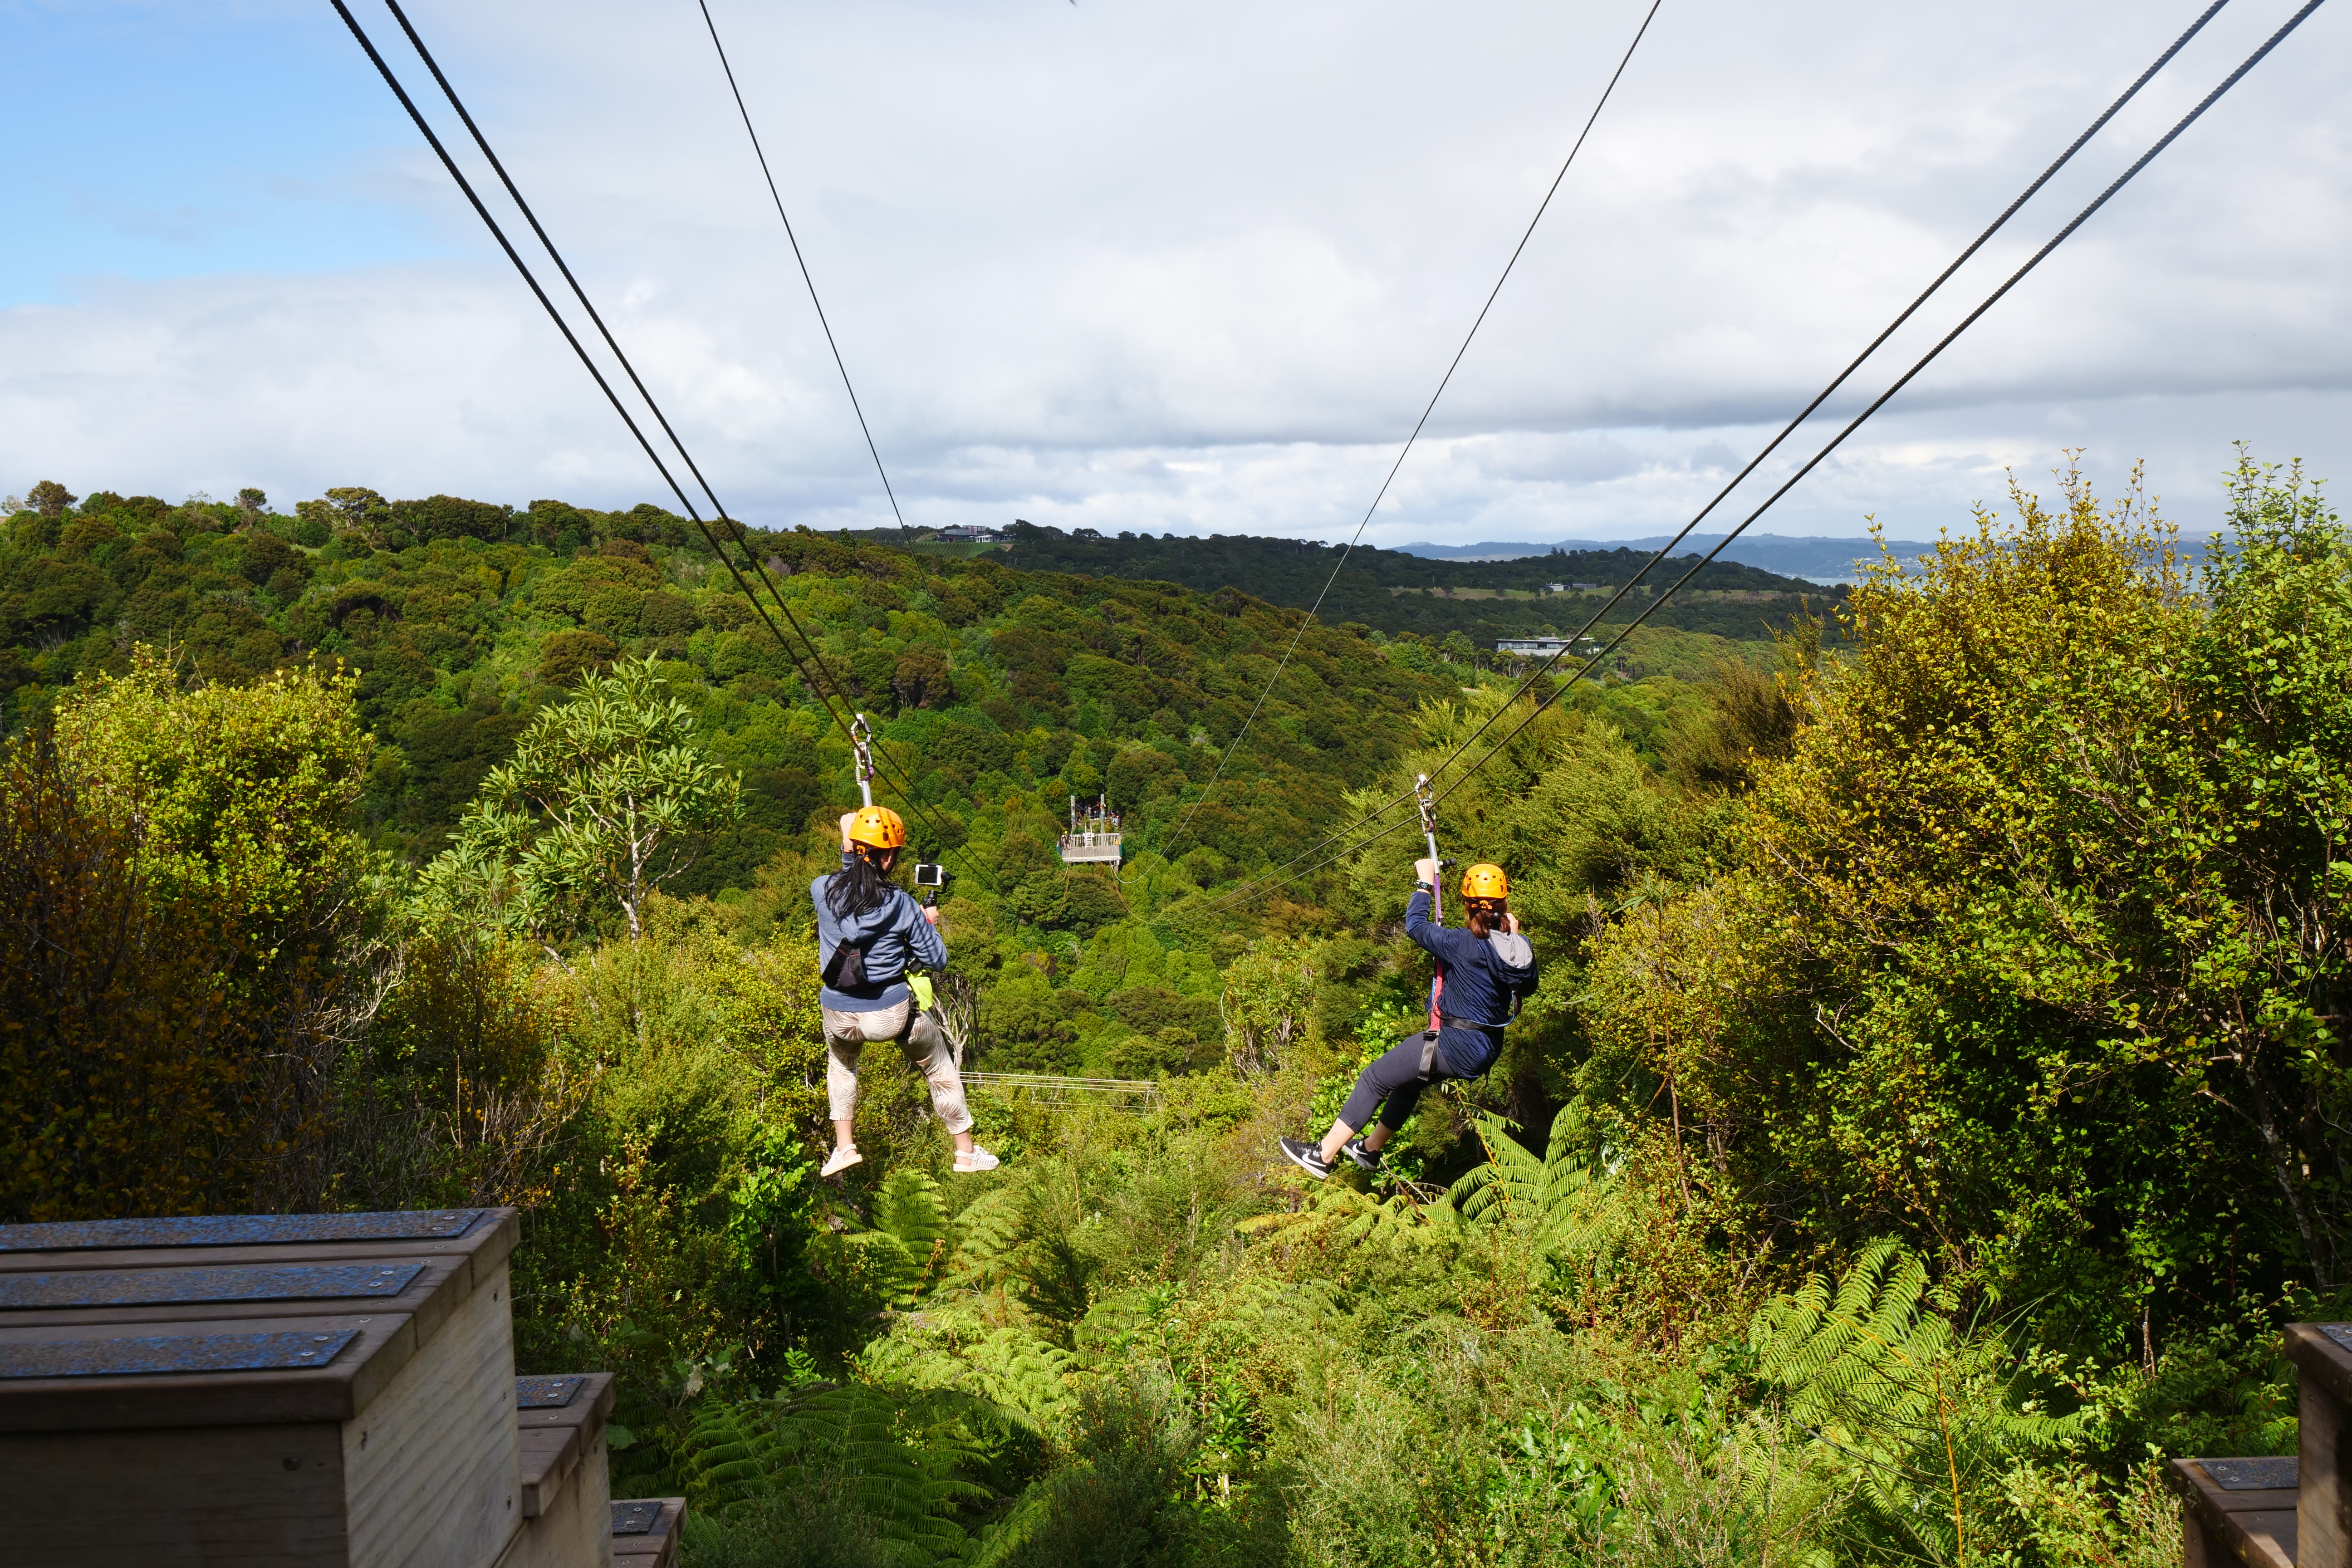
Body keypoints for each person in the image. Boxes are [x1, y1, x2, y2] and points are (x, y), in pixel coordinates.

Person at [1281, 858, 1536, 1179]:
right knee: (1407, 1084)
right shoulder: (1521, 949)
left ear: (1469, 906)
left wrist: (1425, 884)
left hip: (1455, 1045)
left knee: (1374, 1078)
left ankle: (1323, 1156)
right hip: (1484, 1049)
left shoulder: (1460, 942)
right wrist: (1514, 936)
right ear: (1505, 905)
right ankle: (1369, 1149)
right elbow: (1527, 985)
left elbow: (1415, 925)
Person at [813, 805, 1000, 1177]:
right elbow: (936, 958)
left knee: (842, 1066)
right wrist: (927, 923)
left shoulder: (822, 890)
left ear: (854, 849)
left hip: (839, 1014)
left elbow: (850, 873)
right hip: (889, 1015)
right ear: (891, 858)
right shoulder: (901, 904)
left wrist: (850, 840)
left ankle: (845, 1147)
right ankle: (965, 1153)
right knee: (938, 1067)